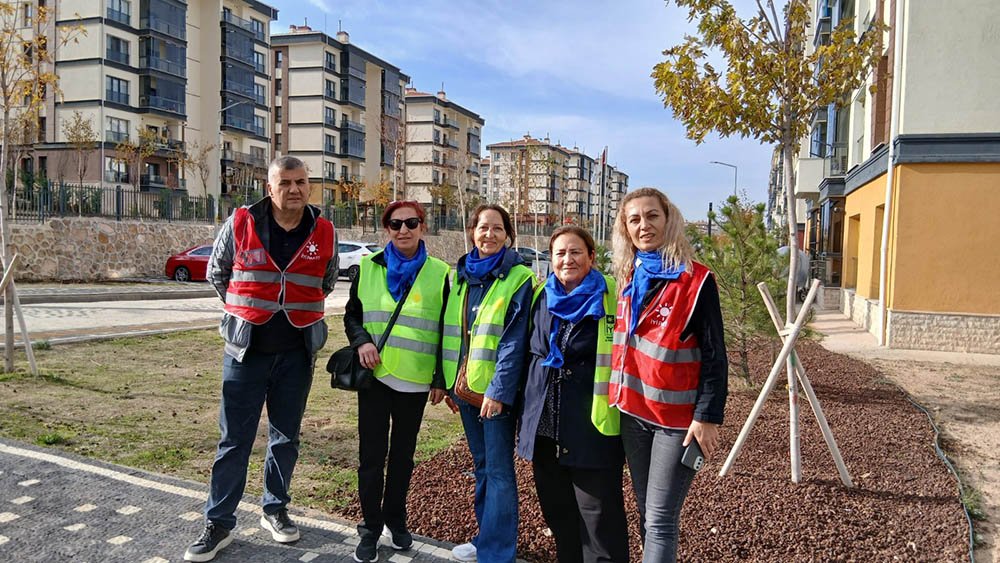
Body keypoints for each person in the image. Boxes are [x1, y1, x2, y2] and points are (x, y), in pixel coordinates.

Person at [184, 156, 338, 563]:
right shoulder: (239, 222)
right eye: (285, 182)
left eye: (301, 182)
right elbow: (217, 274)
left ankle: (275, 508)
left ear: (309, 186)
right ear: (269, 187)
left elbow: (327, 279)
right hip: (245, 352)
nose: (294, 189)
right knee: (234, 439)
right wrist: (244, 313)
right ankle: (218, 523)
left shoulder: (324, 230)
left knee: (286, 438)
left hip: (297, 353)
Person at [609, 187, 728, 563]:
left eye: (651, 216)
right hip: (633, 414)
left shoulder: (696, 282)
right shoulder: (629, 276)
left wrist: (707, 417)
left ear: (667, 218)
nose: (644, 225)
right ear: (626, 229)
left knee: (660, 519)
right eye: (634, 219)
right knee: (647, 513)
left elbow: (714, 356)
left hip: (676, 424)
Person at [343, 201, 450, 562]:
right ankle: (370, 528)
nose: (403, 230)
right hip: (376, 378)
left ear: (423, 226)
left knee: (403, 457)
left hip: (416, 381)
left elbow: (446, 331)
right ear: (386, 228)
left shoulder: (439, 273)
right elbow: (352, 316)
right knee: (370, 457)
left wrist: (440, 377)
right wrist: (362, 342)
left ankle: (396, 520)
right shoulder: (368, 267)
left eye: (411, 223)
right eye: (394, 224)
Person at [517, 226, 630, 563]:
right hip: (545, 431)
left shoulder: (614, 296)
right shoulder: (542, 297)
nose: (568, 259)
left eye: (576, 252)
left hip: (592, 431)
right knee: (561, 519)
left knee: (600, 527)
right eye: (560, 253)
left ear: (592, 257)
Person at [441, 204, 535, 563]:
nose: (489, 235)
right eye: (483, 228)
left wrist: (498, 391)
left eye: (497, 229)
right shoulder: (463, 275)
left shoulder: (518, 278)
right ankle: (486, 539)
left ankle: (497, 552)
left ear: (508, 235)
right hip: (465, 389)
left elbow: (514, 340)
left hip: (494, 394)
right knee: (481, 465)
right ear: (472, 232)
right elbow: (452, 332)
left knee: (498, 471)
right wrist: (448, 382)